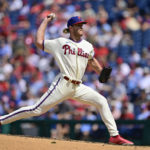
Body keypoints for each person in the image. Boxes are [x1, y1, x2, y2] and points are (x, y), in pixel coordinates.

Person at [0, 13, 133, 145]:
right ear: (70, 28)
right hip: (63, 83)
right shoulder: (60, 42)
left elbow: (92, 61)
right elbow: (39, 42)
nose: (82, 26)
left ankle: (114, 136)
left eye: (82, 24)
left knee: (102, 101)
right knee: (37, 110)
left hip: (78, 87)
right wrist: (45, 21)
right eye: (78, 25)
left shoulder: (88, 46)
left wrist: (100, 72)